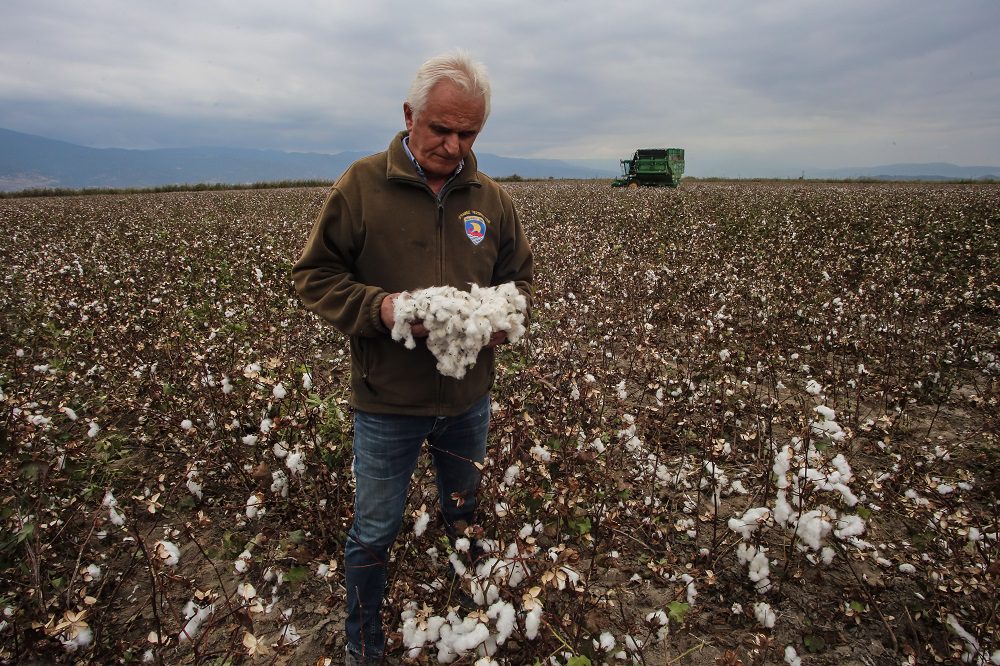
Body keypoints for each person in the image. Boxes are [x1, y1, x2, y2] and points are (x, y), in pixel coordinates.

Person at [292, 51, 534, 664]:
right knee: (374, 530)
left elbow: (519, 281)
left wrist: (500, 321)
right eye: (442, 130)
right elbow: (315, 276)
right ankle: (364, 645)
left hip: (467, 401)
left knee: (464, 512)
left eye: (469, 133)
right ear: (409, 115)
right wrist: (383, 310)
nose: (454, 146)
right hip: (386, 405)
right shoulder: (362, 185)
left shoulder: (492, 200)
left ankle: (473, 612)